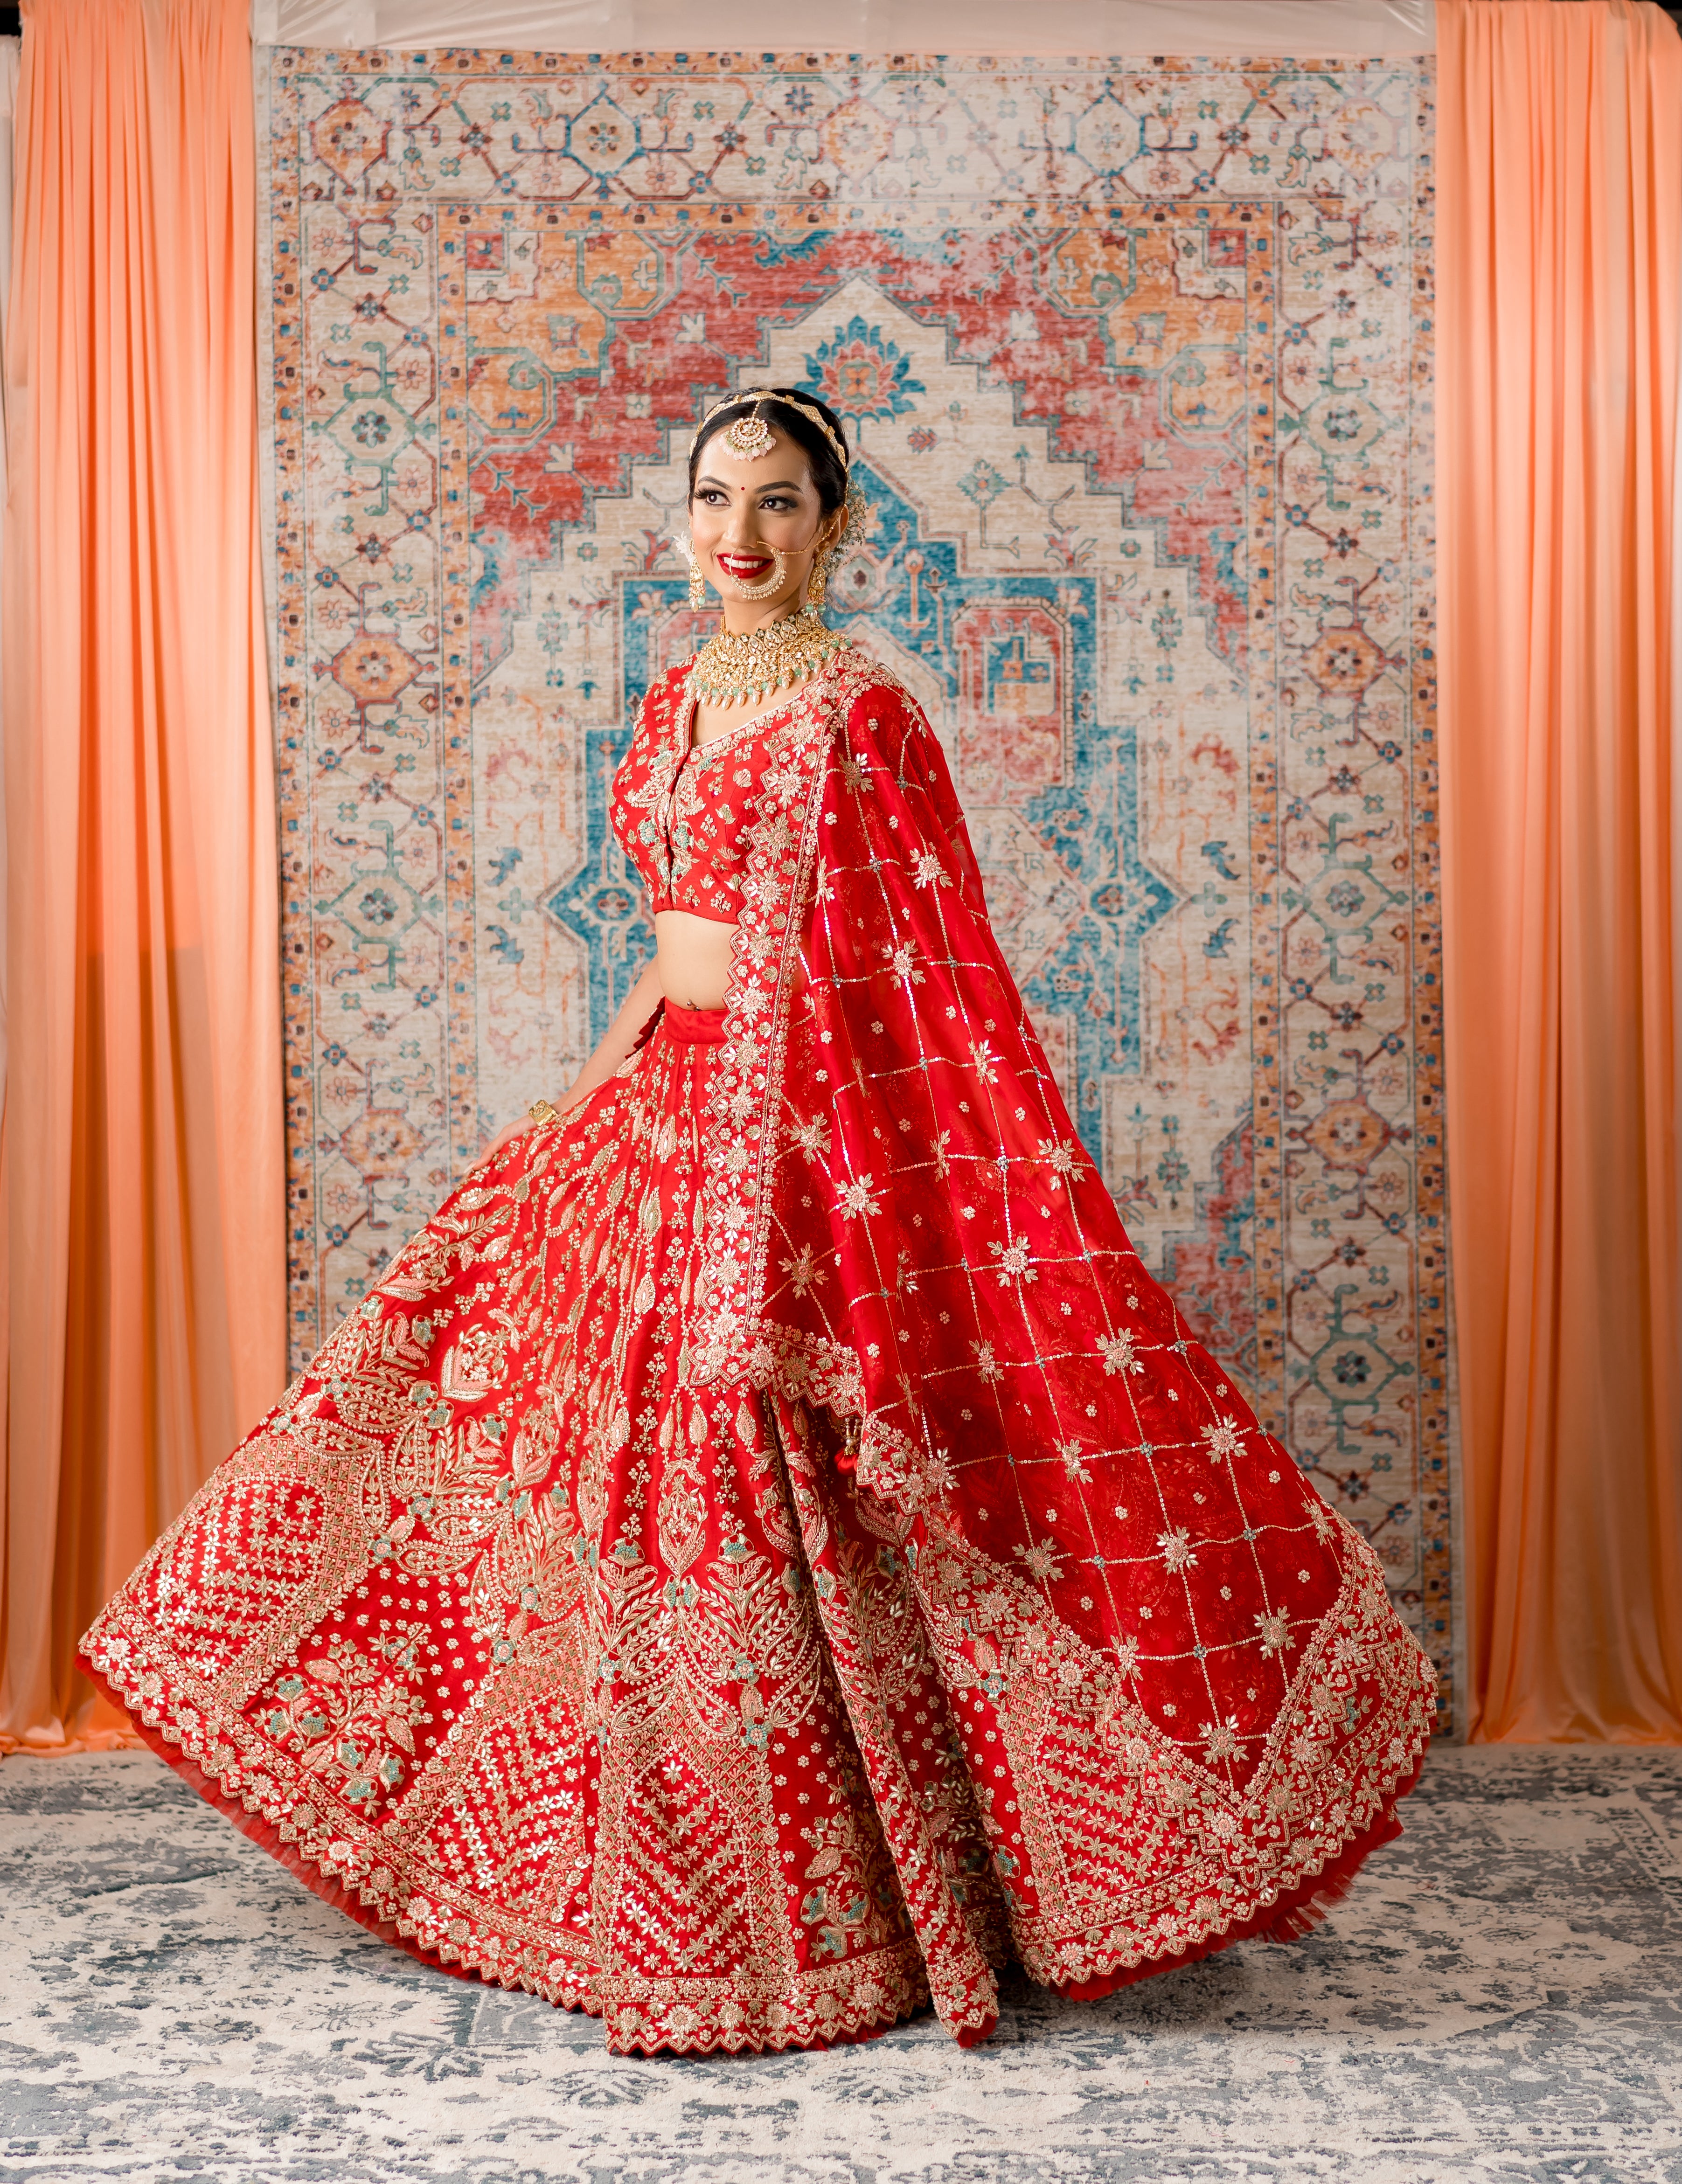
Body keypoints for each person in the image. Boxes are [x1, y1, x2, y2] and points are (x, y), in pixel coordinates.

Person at [82, 387, 1436, 2059]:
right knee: (515, 1427)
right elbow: (676, 937)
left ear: (837, 522)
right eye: (716, 499)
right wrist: (579, 1103)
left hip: (796, 1144)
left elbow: (927, 982)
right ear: (681, 518)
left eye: (780, 502)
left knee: (754, 1496)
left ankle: (816, 1923)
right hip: (661, 1112)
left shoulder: (867, 714)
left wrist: (810, 1185)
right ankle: (585, 1885)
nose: (742, 533)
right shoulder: (677, 692)